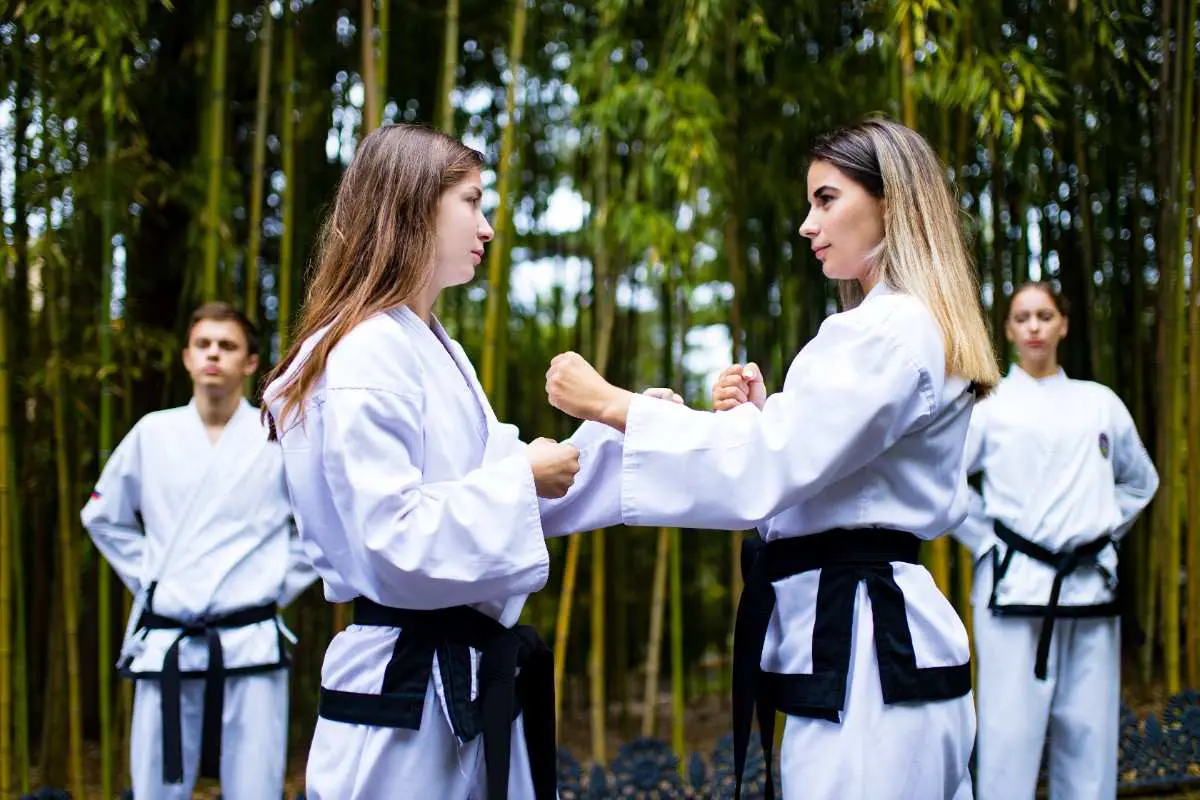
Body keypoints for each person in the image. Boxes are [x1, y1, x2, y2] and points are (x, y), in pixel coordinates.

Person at [544, 117, 1000, 800]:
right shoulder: (897, 326)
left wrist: (612, 404)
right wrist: (765, 420)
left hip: (870, 666)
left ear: (891, 202)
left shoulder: (891, 328)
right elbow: (814, 464)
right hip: (870, 659)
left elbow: (760, 471)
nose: (806, 225)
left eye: (825, 199)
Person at [262, 124, 668, 800]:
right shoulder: (367, 352)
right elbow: (393, 537)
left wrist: (643, 423)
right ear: (415, 205)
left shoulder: (425, 344)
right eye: (473, 202)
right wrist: (520, 479)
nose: (486, 227)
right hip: (403, 693)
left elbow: (528, 489)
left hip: (457, 686)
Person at [81, 301, 317, 799]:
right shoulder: (152, 433)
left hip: (250, 635)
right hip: (167, 640)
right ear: (187, 358)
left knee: (255, 788)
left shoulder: (277, 437)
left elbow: (316, 531)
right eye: (203, 344)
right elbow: (102, 517)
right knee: (155, 788)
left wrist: (276, 581)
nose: (214, 354)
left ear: (251, 362)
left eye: (227, 346)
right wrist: (153, 577)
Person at [949, 281, 1158, 799]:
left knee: (1088, 737)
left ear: (1063, 324)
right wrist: (989, 542)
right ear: (1009, 330)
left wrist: (1100, 534)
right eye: (1022, 318)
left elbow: (1140, 481)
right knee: (1007, 740)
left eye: (1045, 315)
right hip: (1013, 592)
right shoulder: (989, 404)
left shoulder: (1099, 403)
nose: (1035, 326)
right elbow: (945, 485)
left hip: (1089, 590)